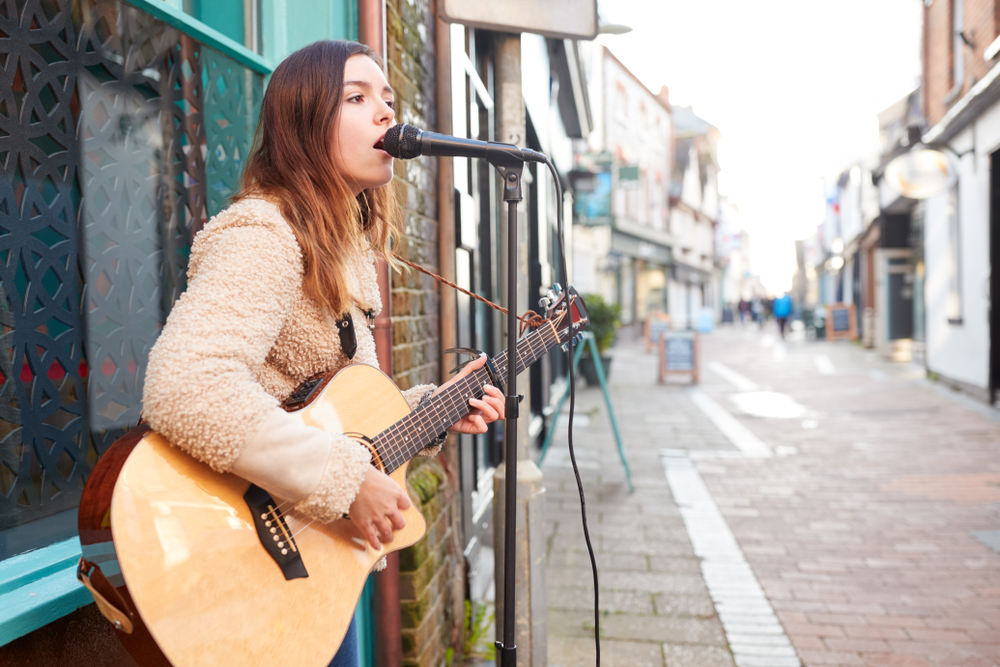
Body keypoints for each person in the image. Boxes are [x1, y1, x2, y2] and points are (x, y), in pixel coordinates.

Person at [141, 40, 505, 667]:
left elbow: (330, 410)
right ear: (303, 123)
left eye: (387, 100)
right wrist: (341, 479)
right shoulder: (264, 234)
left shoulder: (343, 252)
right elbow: (185, 386)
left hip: (316, 566)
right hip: (246, 563)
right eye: (357, 99)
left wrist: (432, 407)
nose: (386, 114)